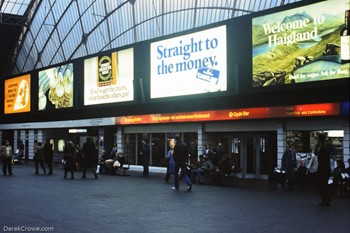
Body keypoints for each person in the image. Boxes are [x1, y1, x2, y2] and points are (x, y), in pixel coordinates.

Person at [314, 133, 332, 206]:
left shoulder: (324, 148)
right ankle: (326, 198)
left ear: (320, 140)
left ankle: (326, 198)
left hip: (323, 169)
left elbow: (322, 160)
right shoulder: (321, 147)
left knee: (320, 184)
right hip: (323, 169)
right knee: (322, 185)